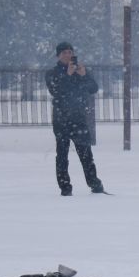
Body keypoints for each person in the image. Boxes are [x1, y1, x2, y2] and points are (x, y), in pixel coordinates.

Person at [45, 42, 105, 195]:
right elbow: (56, 91)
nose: (68, 55)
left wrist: (84, 75)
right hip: (61, 119)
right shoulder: (52, 73)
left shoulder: (80, 70)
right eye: (64, 52)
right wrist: (67, 75)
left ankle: (94, 184)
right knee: (62, 155)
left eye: (70, 52)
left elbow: (93, 88)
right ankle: (65, 187)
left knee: (86, 154)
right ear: (58, 55)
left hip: (79, 118)